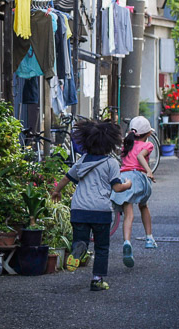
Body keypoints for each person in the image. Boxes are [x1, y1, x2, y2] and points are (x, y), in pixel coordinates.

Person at [51, 119, 130, 291]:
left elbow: (66, 178)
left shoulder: (83, 160)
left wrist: (56, 192)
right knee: (102, 247)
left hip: (79, 209)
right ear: (110, 142)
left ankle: (78, 249)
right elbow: (117, 187)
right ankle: (97, 280)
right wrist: (128, 184)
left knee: (81, 239)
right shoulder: (111, 163)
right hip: (100, 211)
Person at [112, 116, 157, 269]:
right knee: (143, 205)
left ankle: (127, 241)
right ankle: (149, 238)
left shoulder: (127, 144)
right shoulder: (148, 144)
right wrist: (149, 170)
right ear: (148, 133)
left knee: (128, 215)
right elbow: (140, 156)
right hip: (137, 178)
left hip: (123, 178)